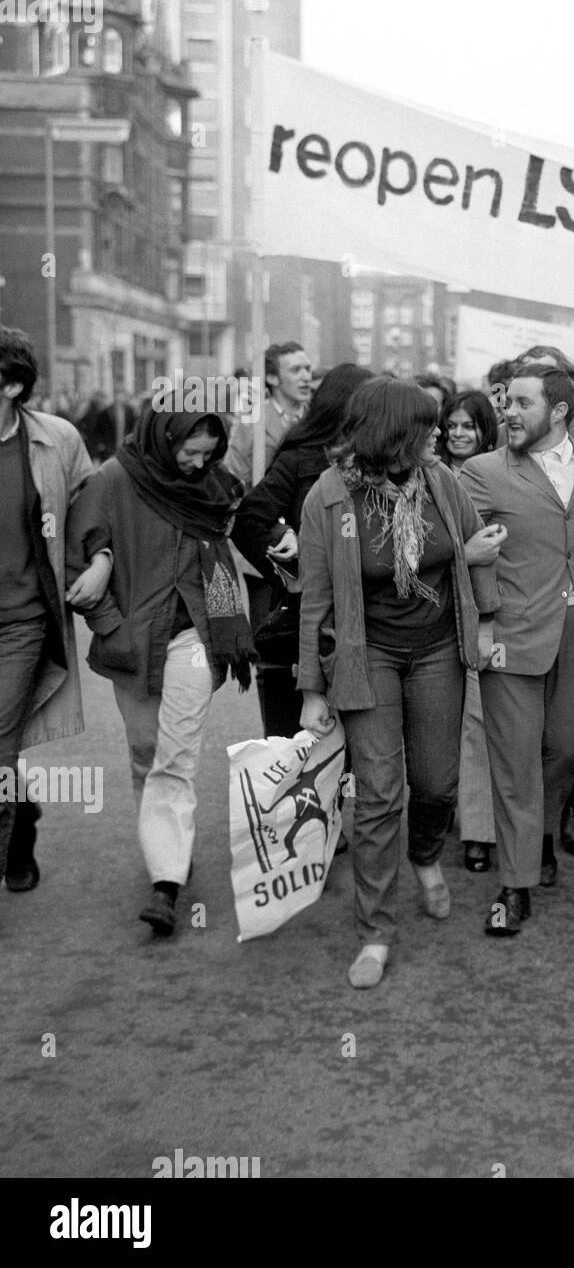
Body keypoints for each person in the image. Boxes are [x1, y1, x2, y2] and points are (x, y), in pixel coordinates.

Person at [297, 377, 504, 988]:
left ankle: (424, 856)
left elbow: (475, 552)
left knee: (437, 782)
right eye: (426, 425)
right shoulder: (329, 496)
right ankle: (376, 933)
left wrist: (486, 624)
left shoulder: (442, 481)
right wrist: (311, 689)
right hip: (369, 657)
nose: (438, 433)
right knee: (381, 795)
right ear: (393, 433)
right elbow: (316, 597)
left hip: (439, 649)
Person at [67, 400, 257, 938]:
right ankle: (166, 849)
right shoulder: (113, 481)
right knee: (145, 753)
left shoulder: (214, 487)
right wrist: (110, 626)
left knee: (175, 754)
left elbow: (226, 544)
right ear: (161, 437)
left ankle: (166, 884)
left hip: (195, 635)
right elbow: (76, 559)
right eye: (189, 452)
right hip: (132, 640)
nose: (198, 465)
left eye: (208, 454)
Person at [459, 364, 574, 935]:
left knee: (564, 753)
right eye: (506, 402)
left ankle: (542, 834)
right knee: (515, 760)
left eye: (522, 403)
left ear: (558, 412)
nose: (508, 412)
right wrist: (484, 620)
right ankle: (514, 883)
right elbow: (470, 550)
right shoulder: (482, 472)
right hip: (512, 635)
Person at [0, 327, 96, 897]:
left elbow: (92, 513)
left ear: (12, 386)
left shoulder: (55, 440)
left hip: (21, 621)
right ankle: (22, 819)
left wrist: (102, 559)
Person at [231, 364, 374, 738]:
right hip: (308, 617)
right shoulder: (301, 458)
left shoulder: (382, 458)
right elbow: (249, 519)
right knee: (298, 743)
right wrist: (290, 566)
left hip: (370, 617)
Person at [435, 388, 501, 872]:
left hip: (483, 610)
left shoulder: (501, 475)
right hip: (430, 614)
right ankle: (434, 817)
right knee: (436, 725)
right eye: (451, 426)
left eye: (468, 426)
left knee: (479, 722)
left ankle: (478, 830)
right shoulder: (423, 474)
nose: (458, 434)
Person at [225, 342, 314, 486]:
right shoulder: (253, 418)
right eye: (296, 370)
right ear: (272, 378)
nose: (306, 377)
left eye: (308, 369)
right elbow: (236, 472)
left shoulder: (317, 416)